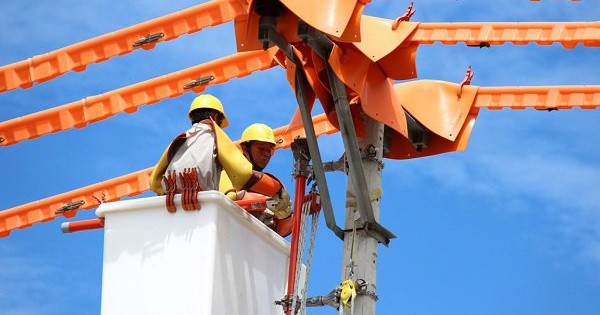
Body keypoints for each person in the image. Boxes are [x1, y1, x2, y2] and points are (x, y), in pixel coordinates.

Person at [149, 94, 290, 218]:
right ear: (216, 117)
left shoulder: (181, 138)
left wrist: (175, 195)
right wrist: (276, 190)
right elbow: (242, 173)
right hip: (206, 208)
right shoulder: (216, 135)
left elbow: (154, 182)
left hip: (176, 208)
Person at [219, 123, 293, 236]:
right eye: (261, 149)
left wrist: (286, 215)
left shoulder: (273, 184)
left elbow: (281, 232)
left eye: (270, 150)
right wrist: (266, 202)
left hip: (261, 244)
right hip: (232, 235)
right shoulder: (230, 173)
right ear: (245, 148)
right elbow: (229, 199)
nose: (266, 154)